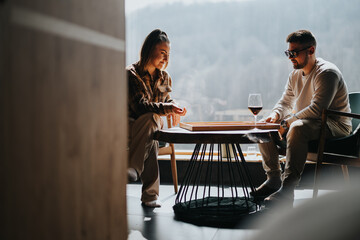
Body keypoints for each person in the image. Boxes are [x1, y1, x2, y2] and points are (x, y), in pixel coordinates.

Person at [251, 30, 352, 207]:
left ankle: (288, 189)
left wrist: (286, 123)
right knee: (263, 127)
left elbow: (317, 109)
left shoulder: (327, 73)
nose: (290, 57)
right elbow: (285, 102)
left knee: (297, 127)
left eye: (294, 53)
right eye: (288, 53)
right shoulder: (295, 75)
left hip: (335, 125)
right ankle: (273, 178)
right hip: (310, 123)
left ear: (311, 50)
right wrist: (274, 116)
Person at [127, 29, 187, 208]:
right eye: (162, 53)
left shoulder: (164, 77)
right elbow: (140, 107)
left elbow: (166, 100)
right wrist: (168, 108)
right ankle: (150, 195)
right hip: (130, 125)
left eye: (168, 55)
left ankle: (134, 169)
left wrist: (174, 105)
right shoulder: (131, 74)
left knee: (152, 124)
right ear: (148, 50)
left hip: (151, 127)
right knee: (151, 126)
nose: (166, 59)